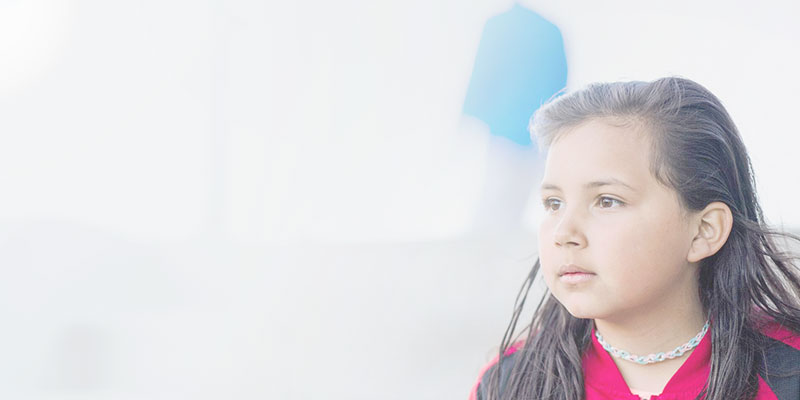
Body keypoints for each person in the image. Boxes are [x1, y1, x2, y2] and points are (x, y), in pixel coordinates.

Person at [469, 77, 800, 400]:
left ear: (704, 230)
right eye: (554, 203)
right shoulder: (506, 384)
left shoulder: (789, 373)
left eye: (607, 201)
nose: (564, 233)